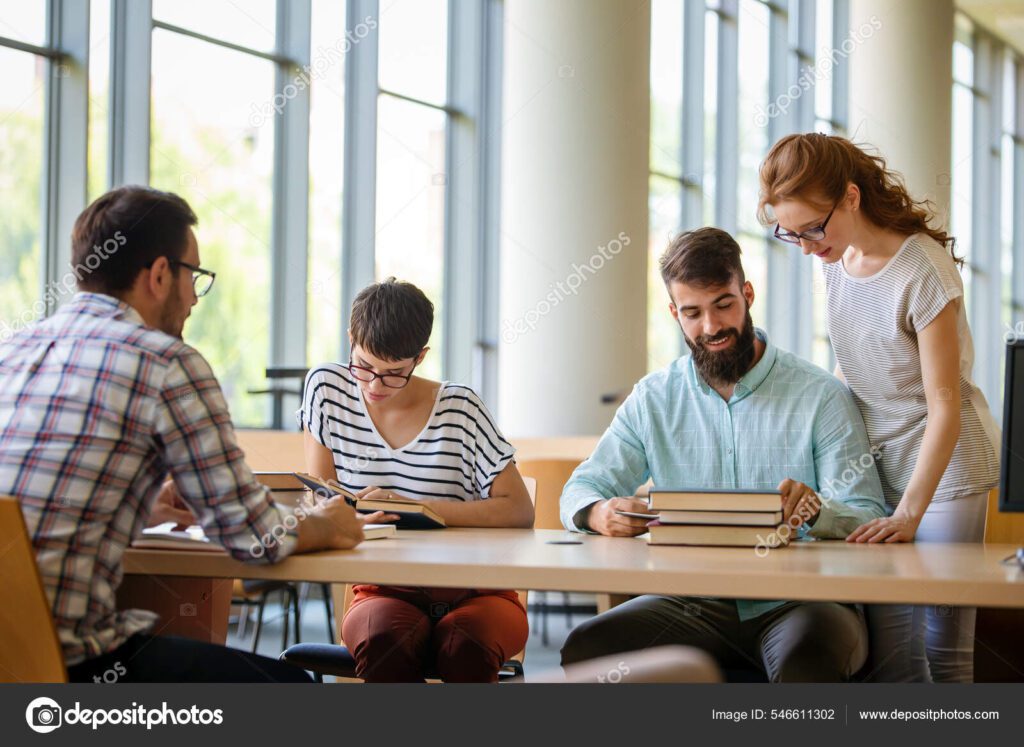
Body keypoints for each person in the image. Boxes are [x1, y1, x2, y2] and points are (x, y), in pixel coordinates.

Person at [0, 186, 378, 683]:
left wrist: (135, 506)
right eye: (194, 276)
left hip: (12, 657)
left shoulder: (15, 350)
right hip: (68, 665)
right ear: (160, 274)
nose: (196, 298)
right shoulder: (164, 361)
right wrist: (331, 522)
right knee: (293, 687)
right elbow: (254, 534)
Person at [558, 227, 887, 682]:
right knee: (589, 647)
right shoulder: (654, 398)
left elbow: (869, 515)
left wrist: (817, 511)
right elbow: (581, 487)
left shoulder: (820, 395)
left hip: (802, 601)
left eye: (723, 305)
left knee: (806, 667)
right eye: (692, 312)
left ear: (746, 294)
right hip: (693, 602)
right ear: (674, 313)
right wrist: (597, 512)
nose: (711, 327)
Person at [758, 133, 1001, 682]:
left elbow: (945, 407)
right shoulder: (834, 260)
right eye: (788, 234)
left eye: (811, 228)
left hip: (944, 471)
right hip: (875, 465)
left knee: (942, 645)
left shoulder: (924, 268)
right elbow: (856, 369)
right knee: (892, 650)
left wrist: (911, 512)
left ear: (849, 196)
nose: (804, 246)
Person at [299, 277, 534, 682]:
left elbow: (519, 510)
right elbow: (321, 500)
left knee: (463, 645)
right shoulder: (327, 389)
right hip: (381, 589)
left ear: (420, 358)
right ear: (351, 337)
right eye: (365, 366)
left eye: (394, 373)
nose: (375, 385)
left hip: (478, 591)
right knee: (386, 638)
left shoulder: (459, 408)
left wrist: (416, 510)